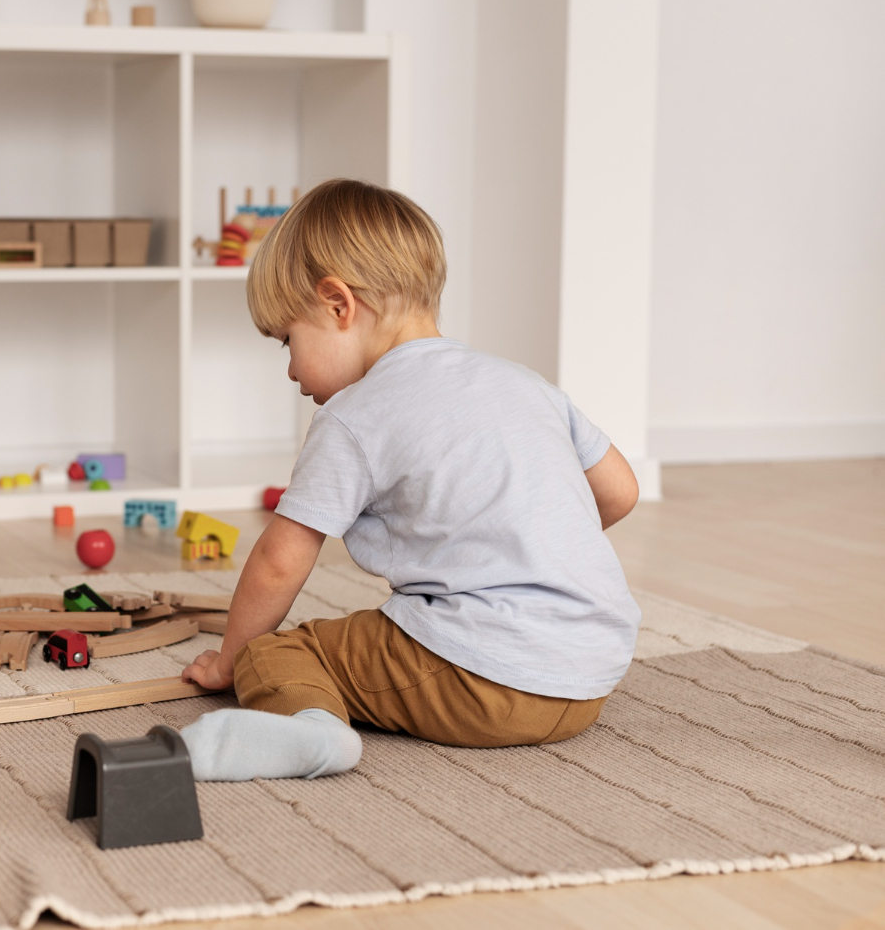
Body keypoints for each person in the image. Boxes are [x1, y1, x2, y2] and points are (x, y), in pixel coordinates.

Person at [180, 178, 642, 782]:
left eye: (287, 340)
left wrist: (229, 661)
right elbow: (620, 492)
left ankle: (312, 733)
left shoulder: (353, 415)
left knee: (278, 653)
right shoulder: (524, 384)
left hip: (485, 681)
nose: (291, 369)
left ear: (338, 305)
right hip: (589, 679)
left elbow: (279, 560)